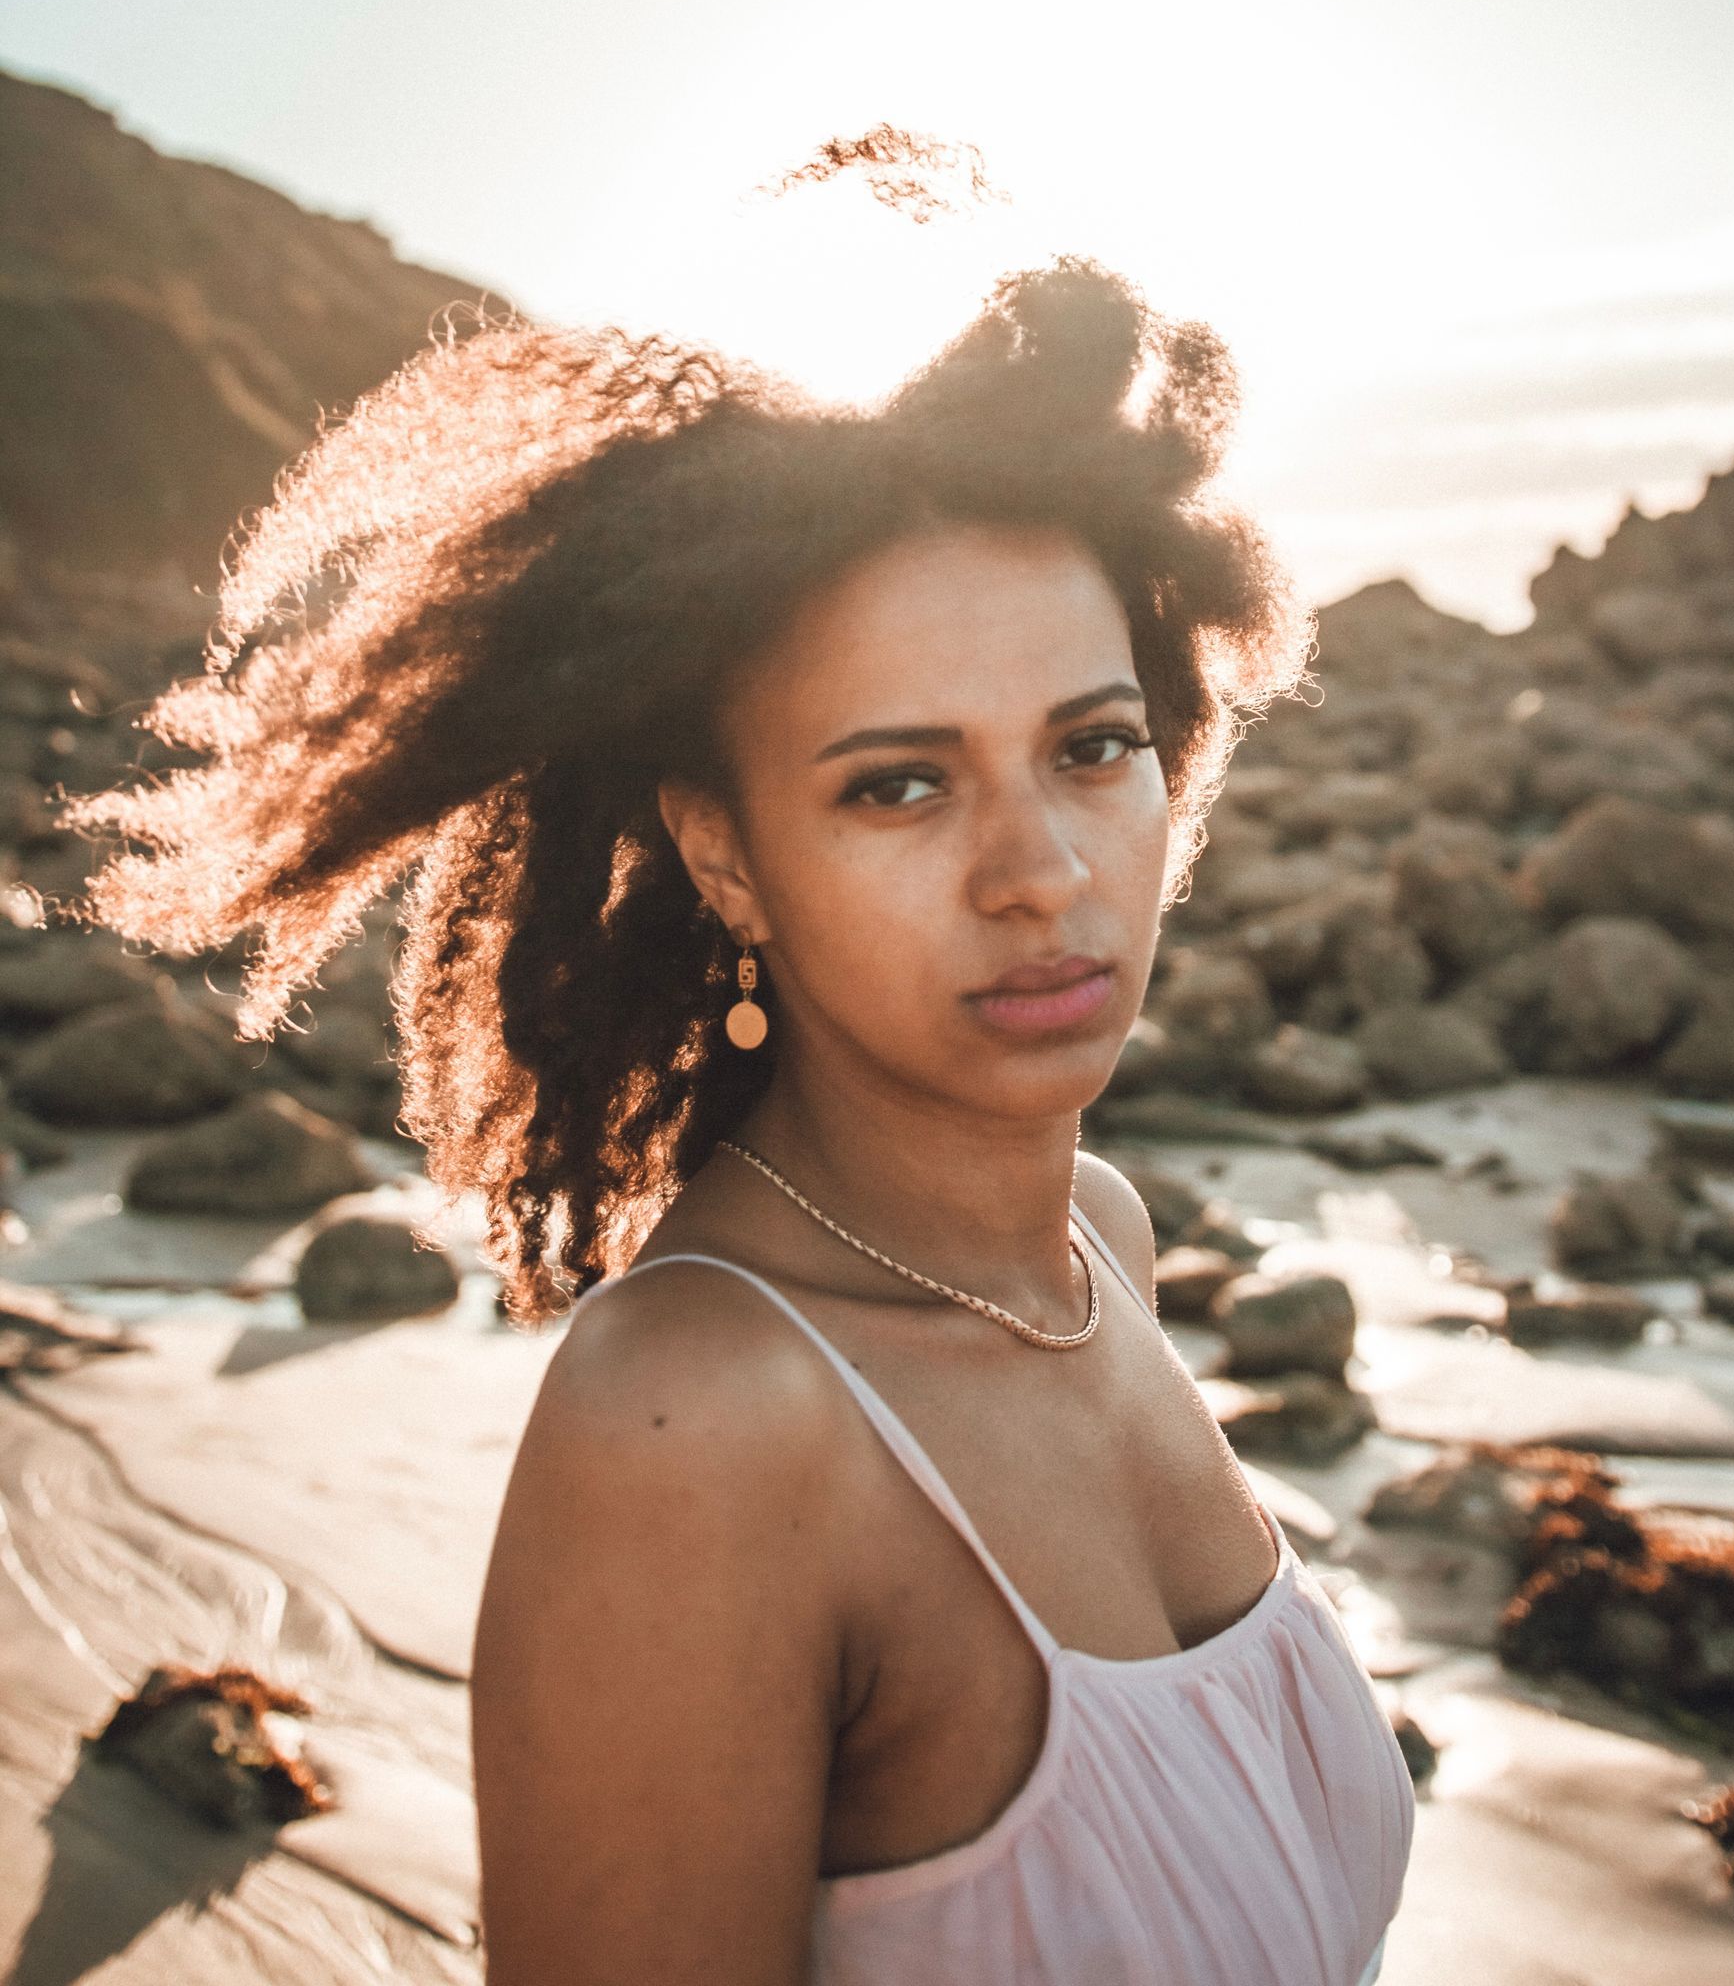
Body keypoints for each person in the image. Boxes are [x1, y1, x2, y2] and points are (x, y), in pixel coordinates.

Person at [80, 256, 1415, 1983]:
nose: (1040, 873)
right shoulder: (701, 1427)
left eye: (1092, 747)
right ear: (724, 852)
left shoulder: (1101, 1242)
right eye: (899, 784)